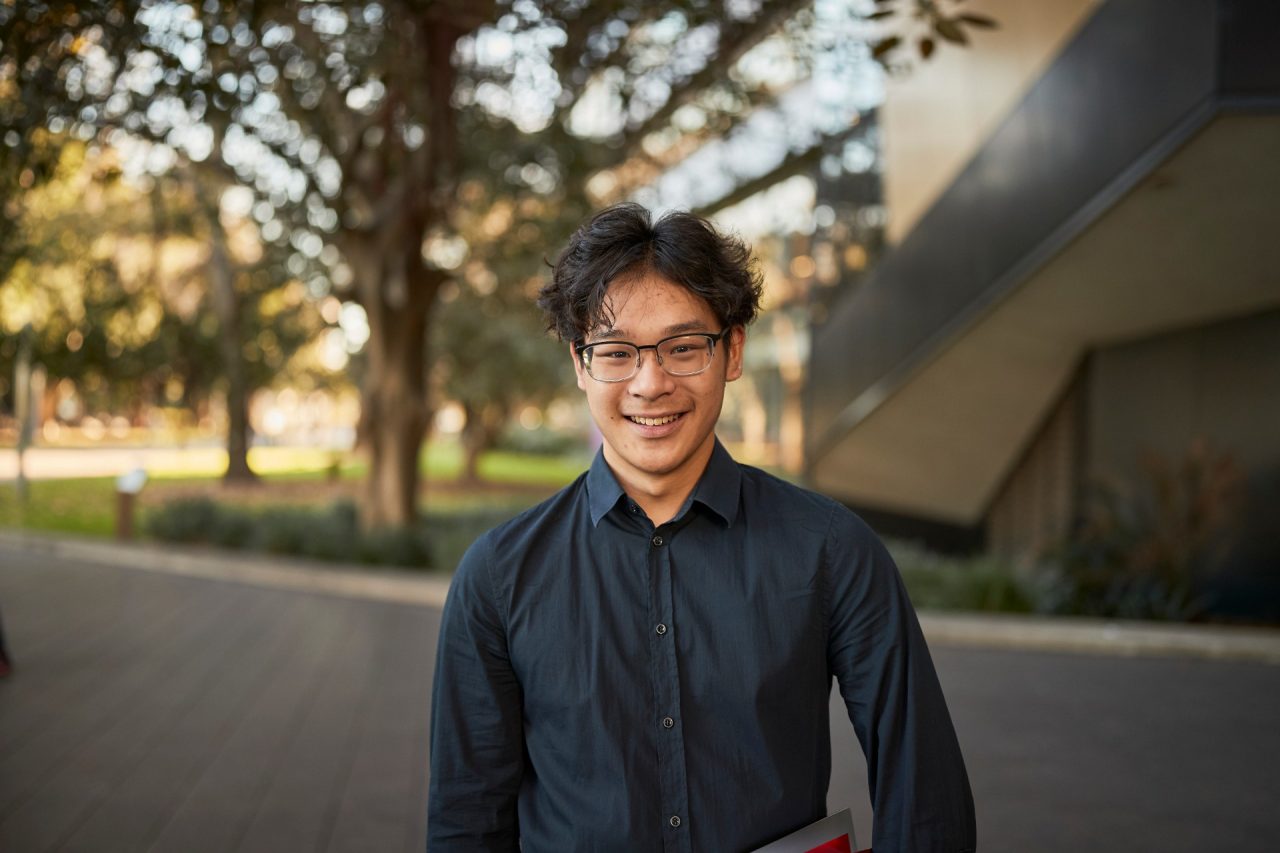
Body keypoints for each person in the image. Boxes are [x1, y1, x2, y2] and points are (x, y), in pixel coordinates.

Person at [427, 203, 976, 852]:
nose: (650, 382)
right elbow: (467, 822)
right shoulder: (498, 576)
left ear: (732, 351)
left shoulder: (831, 551)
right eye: (616, 351)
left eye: (684, 347)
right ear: (580, 363)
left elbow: (926, 800)